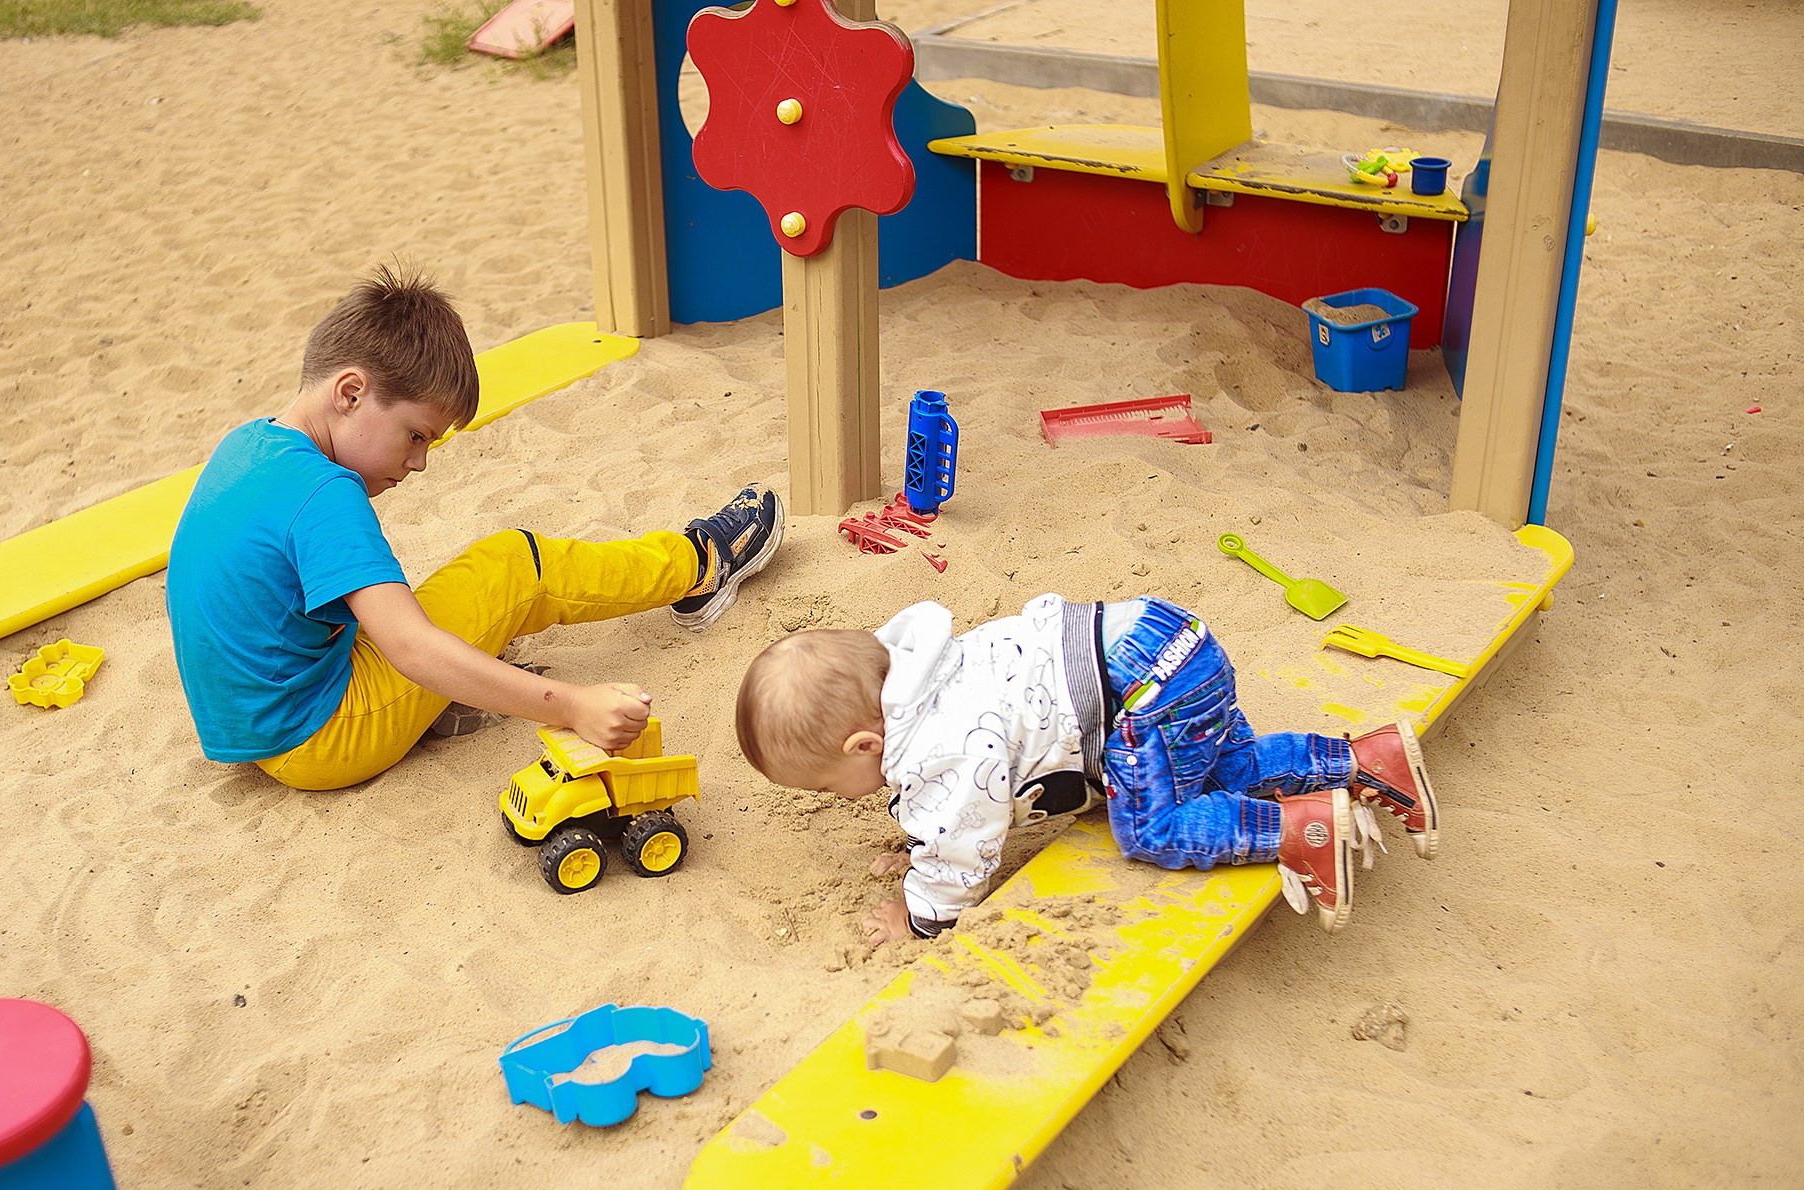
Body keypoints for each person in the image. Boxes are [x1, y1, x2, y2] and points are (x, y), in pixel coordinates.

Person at [167, 264, 783, 791]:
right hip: (320, 734)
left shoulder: (247, 445)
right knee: (517, 567)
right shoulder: (324, 493)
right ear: (350, 393)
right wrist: (573, 704)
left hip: (253, 719)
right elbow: (408, 646)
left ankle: (442, 702)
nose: (419, 463)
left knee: (432, 593)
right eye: (414, 436)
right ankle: (699, 564)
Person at [733, 593, 1436, 944]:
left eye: (828, 784)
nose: (838, 796)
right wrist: (909, 840)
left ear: (865, 745)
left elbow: (963, 846)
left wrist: (919, 913)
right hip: (1171, 641)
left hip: (1137, 696)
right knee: (1223, 767)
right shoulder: (916, 671)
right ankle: (1364, 760)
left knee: (1153, 826)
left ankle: (1298, 829)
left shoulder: (935, 749)